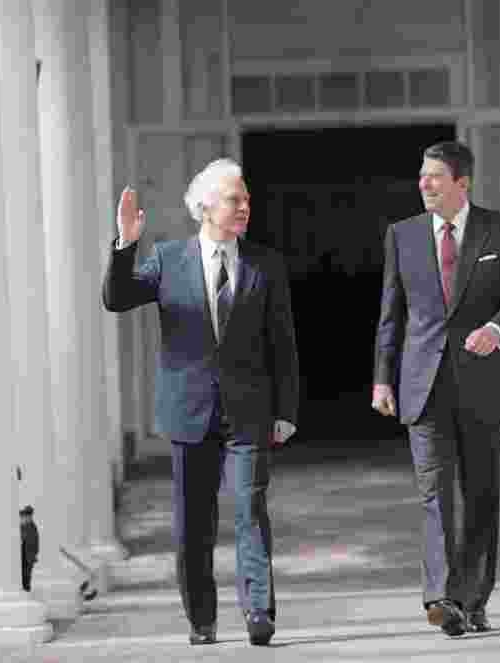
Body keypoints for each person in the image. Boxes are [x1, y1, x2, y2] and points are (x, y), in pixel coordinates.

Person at [102, 158, 299, 646]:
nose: (245, 207)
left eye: (247, 199)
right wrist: (127, 245)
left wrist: (286, 411)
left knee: (251, 510)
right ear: (205, 206)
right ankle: (202, 619)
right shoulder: (170, 259)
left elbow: (283, 343)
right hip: (188, 412)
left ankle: (258, 611)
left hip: (249, 411)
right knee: (193, 525)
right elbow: (117, 297)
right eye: (236, 199)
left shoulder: (265, 264)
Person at [372, 141, 500, 636]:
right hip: (422, 384)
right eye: (422, 175)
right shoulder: (401, 236)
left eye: (435, 177)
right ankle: (442, 597)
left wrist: (497, 328)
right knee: (434, 494)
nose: (424, 184)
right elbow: (391, 312)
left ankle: (472, 598)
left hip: (484, 382)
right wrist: (382, 376)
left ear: (462, 183)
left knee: (481, 494)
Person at [19, 505, 39, 592]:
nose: (27, 517)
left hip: (28, 554)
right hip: (23, 552)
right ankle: (25, 588)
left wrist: (34, 554)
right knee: (24, 573)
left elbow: (36, 541)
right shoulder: (22, 526)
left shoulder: (32, 527)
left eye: (29, 515)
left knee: (27, 574)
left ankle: (26, 589)